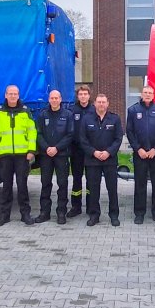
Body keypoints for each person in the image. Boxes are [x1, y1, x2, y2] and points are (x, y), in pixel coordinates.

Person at [0, 85, 37, 226]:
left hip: (22, 155)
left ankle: (25, 214)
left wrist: (31, 150)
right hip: (4, 155)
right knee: (6, 186)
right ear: (5, 95)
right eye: (10, 94)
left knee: (22, 186)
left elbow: (32, 132)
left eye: (15, 94)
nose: (12, 96)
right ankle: (4, 216)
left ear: (18, 95)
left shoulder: (25, 111)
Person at [126, 85, 155, 224]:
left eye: (150, 93)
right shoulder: (133, 110)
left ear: (154, 95)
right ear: (141, 94)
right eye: (145, 92)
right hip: (140, 154)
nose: (148, 95)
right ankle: (139, 213)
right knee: (140, 184)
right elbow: (130, 132)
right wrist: (138, 149)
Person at [79, 94, 123, 227]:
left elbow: (118, 138)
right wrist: (94, 152)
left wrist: (108, 152)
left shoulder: (115, 119)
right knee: (93, 189)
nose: (101, 104)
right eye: (99, 102)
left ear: (108, 103)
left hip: (110, 160)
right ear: (95, 104)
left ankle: (114, 215)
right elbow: (83, 139)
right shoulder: (86, 119)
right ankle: (94, 215)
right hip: (92, 160)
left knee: (112, 189)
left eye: (104, 102)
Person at [35, 90, 73, 224]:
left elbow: (70, 135)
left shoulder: (68, 115)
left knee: (62, 184)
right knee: (45, 183)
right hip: (46, 155)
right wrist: (47, 148)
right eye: (52, 98)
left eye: (57, 98)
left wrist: (57, 148)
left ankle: (61, 212)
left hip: (61, 155)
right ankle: (44, 212)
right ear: (49, 99)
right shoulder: (43, 114)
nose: (54, 100)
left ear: (60, 99)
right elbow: (38, 134)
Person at [67, 85, 94, 218]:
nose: (83, 96)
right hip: (76, 150)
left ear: (89, 96)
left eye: (85, 94)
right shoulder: (71, 110)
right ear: (77, 96)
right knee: (77, 179)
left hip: (90, 151)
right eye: (81, 94)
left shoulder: (94, 110)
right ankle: (76, 207)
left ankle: (91, 207)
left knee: (91, 179)